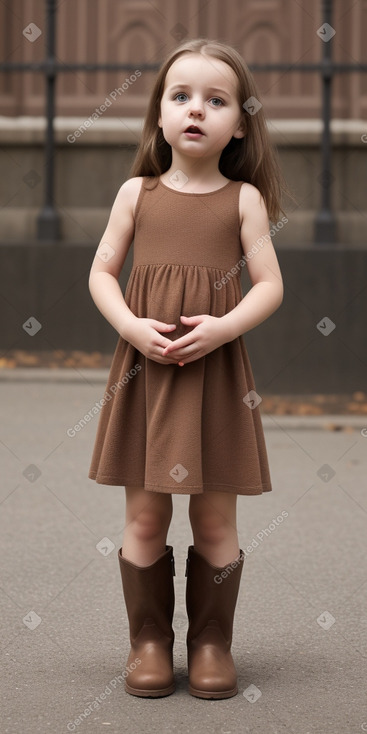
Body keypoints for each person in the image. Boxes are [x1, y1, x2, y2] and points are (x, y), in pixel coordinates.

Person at [88, 38, 289, 700]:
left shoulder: (243, 200)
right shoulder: (136, 193)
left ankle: (209, 643)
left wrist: (224, 327)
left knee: (213, 521)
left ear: (239, 122)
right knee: (145, 517)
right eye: (180, 96)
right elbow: (102, 272)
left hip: (214, 377)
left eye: (215, 99)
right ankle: (148, 642)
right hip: (146, 373)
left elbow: (267, 285)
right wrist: (129, 326)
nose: (195, 109)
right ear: (159, 114)